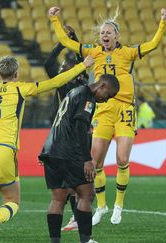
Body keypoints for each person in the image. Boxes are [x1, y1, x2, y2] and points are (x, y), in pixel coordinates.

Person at [0, 55, 94, 243]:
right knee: (12, 201)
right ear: (16, 73)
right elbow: (55, 82)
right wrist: (82, 66)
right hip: (3, 149)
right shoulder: (21, 88)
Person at [48, 6, 166, 225]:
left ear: (117, 36)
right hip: (102, 109)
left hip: (124, 109)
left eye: (108, 32)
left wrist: (162, 22)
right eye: (102, 32)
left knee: (122, 159)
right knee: (95, 162)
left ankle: (119, 206)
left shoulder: (128, 52)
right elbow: (68, 43)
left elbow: (152, 45)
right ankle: (101, 206)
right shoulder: (93, 51)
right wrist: (55, 19)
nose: (104, 35)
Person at [38, 74, 120, 243]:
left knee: (57, 199)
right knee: (87, 194)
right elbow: (80, 128)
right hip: (69, 152)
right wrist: (87, 159)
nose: (105, 100)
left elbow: (59, 121)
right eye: (108, 95)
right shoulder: (87, 98)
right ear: (102, 86)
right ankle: (85, 240)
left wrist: (47, 148)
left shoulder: (73, 92)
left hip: (52, 151)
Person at [44, 24, 89, 231]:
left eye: (66, 66)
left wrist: (69, 40)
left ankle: (77, 217)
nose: (62, 67)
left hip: (71, 136)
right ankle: (77, 218)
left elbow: (80, 60)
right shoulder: (68, 84)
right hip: (62, 137)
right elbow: (49, 63)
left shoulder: (74, 86)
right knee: (68, 184)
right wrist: (66, 41)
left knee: (71, 184)